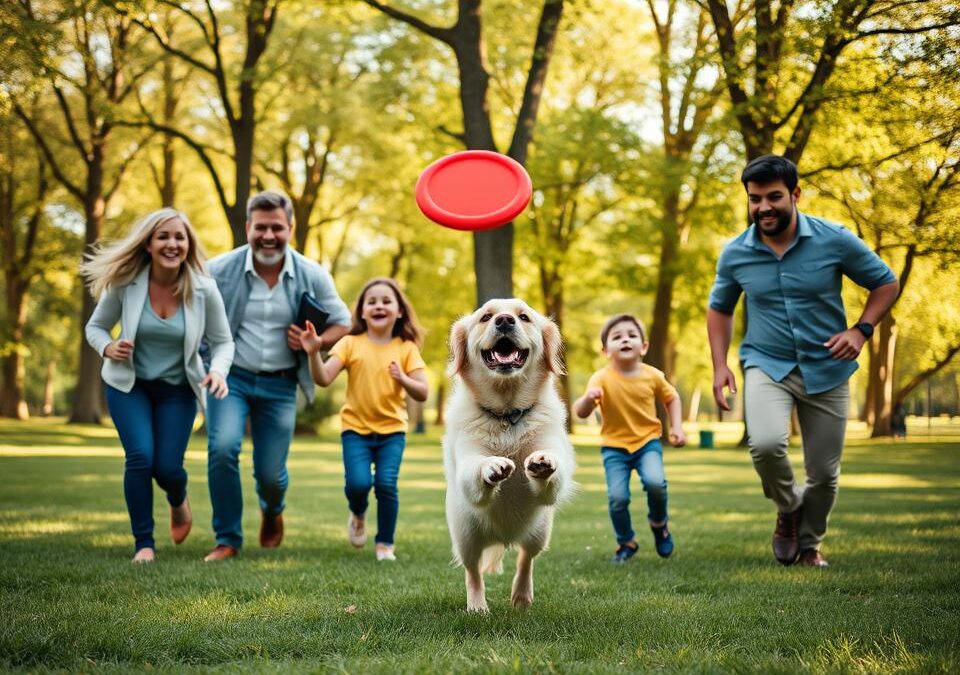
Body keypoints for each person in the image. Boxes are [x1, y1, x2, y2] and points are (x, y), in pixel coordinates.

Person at [707, 155, 900, 568]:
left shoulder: (835, 239)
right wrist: (720, 364)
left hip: (827, 367)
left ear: (795, 194)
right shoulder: (736, 253)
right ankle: (788, 505)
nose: (763, 208)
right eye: (755, 199)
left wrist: (860, 330)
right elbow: (719, 309)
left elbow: (885, 282)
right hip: (766, 363)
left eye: (774, 197)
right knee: (765, 444)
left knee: (824, 473)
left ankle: (809, 545)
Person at [203, 191, 352, 562]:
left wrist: (314, 343)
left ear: (290, 228)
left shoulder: (312, 273)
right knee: (222, 449)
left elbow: (343, 322)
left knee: (271, 473)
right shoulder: (218, 270)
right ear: (248, 227)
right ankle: (227, 538)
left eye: (276, 228)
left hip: (281, 383)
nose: (268, 236)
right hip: (231, 379)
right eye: (260, 228)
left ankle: (272, 510)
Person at [83, 208, 234, 563]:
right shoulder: (126, 283)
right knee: (139, 459)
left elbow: (223, 341)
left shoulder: (204, 289)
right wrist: (107, 346)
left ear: (188, 244)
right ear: (148, 244)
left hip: (178, 390)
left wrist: (219, 371)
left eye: (179, 237)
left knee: (167, 468)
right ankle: (144, 544)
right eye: (163, 236)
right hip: (129, 385)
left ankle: (178, 499)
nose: (172, 243)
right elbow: (96, 327)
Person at [300, 277, 428, 562]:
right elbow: (322, 378)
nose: (378, 305)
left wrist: (403, 378)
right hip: (355, 430)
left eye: (386, 301)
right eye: (371, 301)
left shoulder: (406, 348)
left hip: (392, 431)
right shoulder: (349, 344)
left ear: (399, 311)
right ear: (361, 311)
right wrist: (313, 353)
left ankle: (385, 544)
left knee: (385, 484)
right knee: (358, 485)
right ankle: (358, 513)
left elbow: (422, 392)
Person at [573, 313, 686, 563]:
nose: (625, 340)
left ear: (643, 346)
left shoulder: (652, 375)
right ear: (605, 350)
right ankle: (626, 542)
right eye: (617, 337)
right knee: (618, 498)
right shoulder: (600, 378)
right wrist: (588, 400)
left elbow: (671, 398)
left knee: (656, 483)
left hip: (647, 443)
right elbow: (579, 412)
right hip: (614, 448)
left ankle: (659, 524)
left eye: (632, 336)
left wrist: (676, 427)